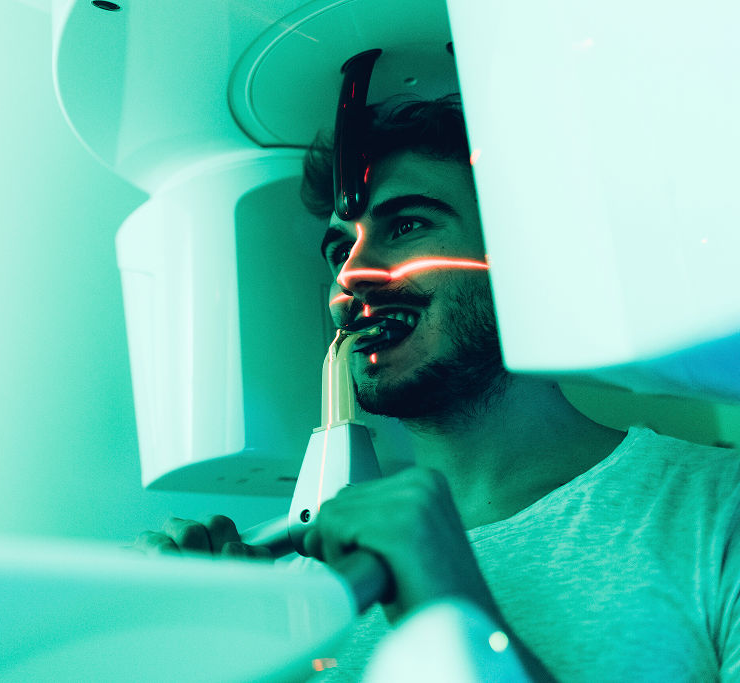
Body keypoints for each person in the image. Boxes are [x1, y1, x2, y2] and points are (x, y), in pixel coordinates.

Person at [132, 95, 740, 683]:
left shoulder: (718, 511)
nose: (354, 275)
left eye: (408, 224)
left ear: (529, 259)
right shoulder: (286, 581)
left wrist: (451, 611)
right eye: (340, 249)